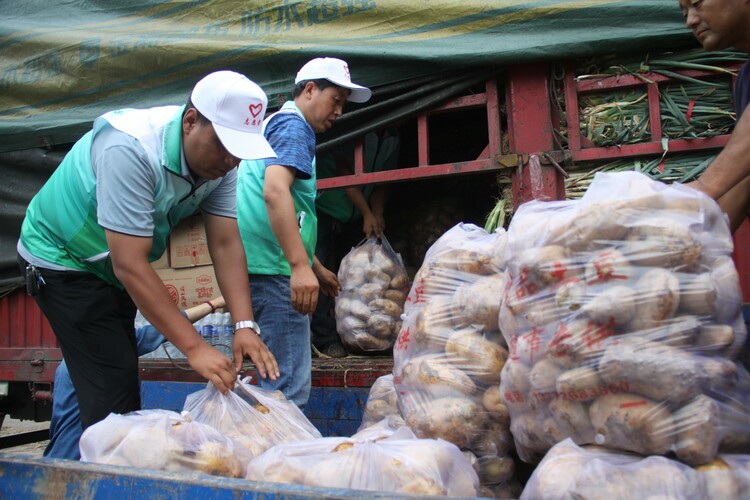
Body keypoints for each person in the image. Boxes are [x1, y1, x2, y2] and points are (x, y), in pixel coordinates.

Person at [17, 70, 280, 435]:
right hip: (63, 258)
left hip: (111, 266)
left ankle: (92, 456)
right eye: (225, 145)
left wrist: (244, 325)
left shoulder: (222, 165)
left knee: (112, 377)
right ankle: (108, 475)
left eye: (241, 151)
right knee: (114, 392)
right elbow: (131, 265)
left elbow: (224, 242)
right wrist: (195, 348)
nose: (232, 161)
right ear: (190, 121)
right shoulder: (131, 148)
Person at [236, 57, 371, 407]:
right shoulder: (295, 127)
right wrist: (298, 268)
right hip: (275, 274)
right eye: (335, 100)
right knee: (287, 393)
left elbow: (285, 213)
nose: (339, 111)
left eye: (343, 104)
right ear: (310, 90)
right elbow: (275, 192)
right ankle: (276, 461)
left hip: (264, 268)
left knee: (273, 384)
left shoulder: (275, 125)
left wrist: (313, 266)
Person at [44, 297, 225, 460]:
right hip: (73, 462)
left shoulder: (85, 352)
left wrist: (213, 304)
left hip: (68, 458)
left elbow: (166, 327)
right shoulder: (98, 355)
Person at [311, 129, 401, 357]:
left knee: (353, 277)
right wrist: (367, 212)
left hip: (356, 213)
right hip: (326, 206)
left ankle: (354, 332)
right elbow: (344, 171)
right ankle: (325, 338)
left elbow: (386, 181)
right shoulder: (362, 129)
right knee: (321, 271)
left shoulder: (393, 138)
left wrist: (376, 212)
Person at [679, 0, 750, 232]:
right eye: (684, 11)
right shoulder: (745, 80)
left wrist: (702, 187)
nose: (691, 20)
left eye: (697, 3)